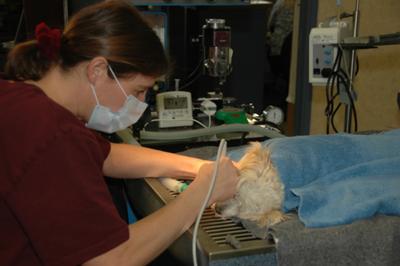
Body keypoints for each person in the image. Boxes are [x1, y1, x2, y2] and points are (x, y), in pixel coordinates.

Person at [0, 1, 239, 265]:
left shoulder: (21, 98)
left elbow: (107, 155)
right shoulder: (51, 131)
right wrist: (201, 195)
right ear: (98, 70)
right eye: (138, 90)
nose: (141, 102)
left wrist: (199, 167)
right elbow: (109, 259)